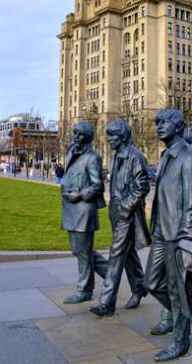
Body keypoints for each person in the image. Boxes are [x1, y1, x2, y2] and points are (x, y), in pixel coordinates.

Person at [144, 109, 192, 362]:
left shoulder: (188, 158)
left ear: (176, 126)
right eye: (158, 123)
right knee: (152, 282)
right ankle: (185, 311)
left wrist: (185, 236)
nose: (159, 127)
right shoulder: (165, 156)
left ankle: (180, 340)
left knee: (177, 291)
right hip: (162, 232)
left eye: (164, 123)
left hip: (178, 234)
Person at [90, 119, 150, 317]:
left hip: (128, 213)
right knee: (128, 254)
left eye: (112, 136)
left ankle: (107, 303)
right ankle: (139, 287)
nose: (109, 140)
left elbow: (142, 187)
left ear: (123, 136)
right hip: (116, 211)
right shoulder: (116, 157)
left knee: (116, 255)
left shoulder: (135, 157)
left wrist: (126, 206)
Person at [61, 121, 108, 303]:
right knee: (80, 251)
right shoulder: (71, 153)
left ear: (88, 137)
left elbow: (98, 186)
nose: (76, 137)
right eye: (75, 133)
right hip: (71, 209)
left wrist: (80, 194)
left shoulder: (92, 158)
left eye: (80, 134)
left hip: (83, 210)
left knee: (83, 252)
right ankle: (112, 275)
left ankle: (84, 290)